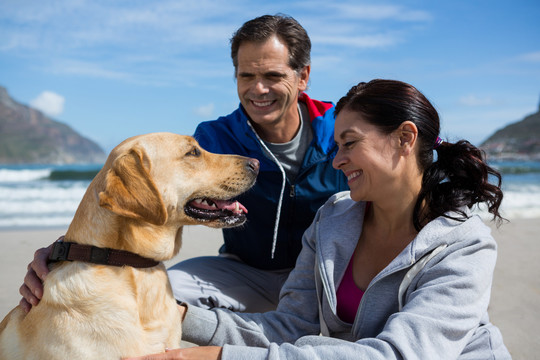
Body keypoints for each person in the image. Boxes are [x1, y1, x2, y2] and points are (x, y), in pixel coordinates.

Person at [127, 79, 511, 360]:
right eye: (336, 144)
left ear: (404, 139)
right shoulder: (332, 220)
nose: (337, 159)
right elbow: (289, 329)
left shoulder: (465, 245)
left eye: (350, 143)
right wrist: (176, 314)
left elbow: (398, 355)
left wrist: (216, 357)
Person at [19, 14, 348, 313]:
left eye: (272, 75)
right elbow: (152, 190)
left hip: (331, 280)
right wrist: (63, 252)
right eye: (246, 75)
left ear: (303, 76)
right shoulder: (214, 139)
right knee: (155, 291)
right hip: (246, 274)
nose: (257, 89)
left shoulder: (343, 131)